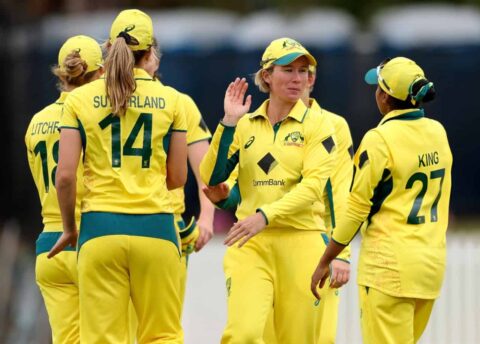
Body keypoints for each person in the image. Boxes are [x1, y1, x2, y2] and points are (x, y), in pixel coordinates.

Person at [48, 9, 188, 344]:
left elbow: (65, 177)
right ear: (151, 51)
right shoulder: (172, 100)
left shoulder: (79, 100)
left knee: (102, 338)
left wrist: (69, 228)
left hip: (100, 229)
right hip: (156, 228)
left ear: (109, 47)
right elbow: (178, 177)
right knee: (162, 335)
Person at [202, 64, 354, 344]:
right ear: (267, 76)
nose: (299, 79)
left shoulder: (330, 124)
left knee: (317, 338)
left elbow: (339, 191)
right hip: (254, 240)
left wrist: (340, 252)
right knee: (248, 335)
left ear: (313, 78)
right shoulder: (249, 124)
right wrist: (226, 198)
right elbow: (236, 188)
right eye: (289, 70)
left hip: (310, 241)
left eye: (304, 71)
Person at [311, 57, 452, 344]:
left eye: (378, 87)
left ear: (385, 97)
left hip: (389, 269)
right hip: (430, 267)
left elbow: (356, 209)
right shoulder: (438, 132)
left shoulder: (379, 139)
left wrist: (328, 258)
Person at [25, 35, 103, 344]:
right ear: (99, 73)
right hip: (91, 238)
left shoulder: (36, 123)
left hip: (49, 247)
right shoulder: (97, 118)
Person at [144, 41, 215, 322]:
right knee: (162, 329)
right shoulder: (177, 102)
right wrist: (206, 219)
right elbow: (205, 170)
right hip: (163, 225)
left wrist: (207, 218)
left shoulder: (96, 101)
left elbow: (205, 170)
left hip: (120, 224)